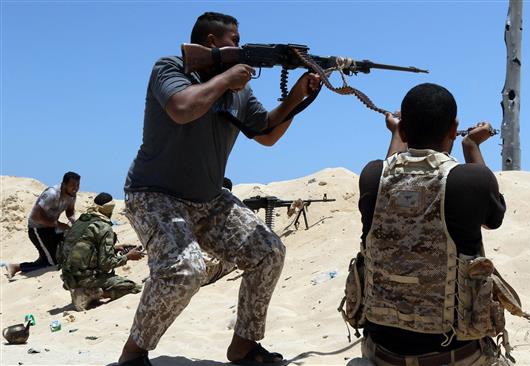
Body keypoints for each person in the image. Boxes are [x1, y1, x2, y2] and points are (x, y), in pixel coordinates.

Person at [118, 11, 321, 366]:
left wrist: (298, 96)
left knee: (268, 251)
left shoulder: (239, 90)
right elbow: (182, 108)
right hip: (154, 194)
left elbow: (268, 133)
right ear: (212, 43)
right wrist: (226, 78)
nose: (241, 47)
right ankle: (134, 354)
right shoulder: (171, 67)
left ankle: (243, 346)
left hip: (208, 199)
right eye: (235, 41)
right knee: (186, 268)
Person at [351, 83, 508, 366]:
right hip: (456, 356)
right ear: (454, 126)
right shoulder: (472, 181)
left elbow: (392, 180)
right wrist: (471, 146)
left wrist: (396, 134)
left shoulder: (372, 177)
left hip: (381, 354)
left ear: (404, 131)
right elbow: (493, 220)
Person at [57, 192, 145, 311]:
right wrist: (128, 257)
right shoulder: (103, 227)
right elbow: (106, 263)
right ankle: (89, 293)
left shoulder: (82, 221)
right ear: (109, 210)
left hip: (69, 278)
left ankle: (84, 290)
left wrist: (114, 248)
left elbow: (83, 249)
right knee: (131, 287)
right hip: (86, 279)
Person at [4, 172, 81, 279]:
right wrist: (58, 224)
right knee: (51, 263)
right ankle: (16, 267)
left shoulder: (72, 195)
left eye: (78, 185)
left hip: (52, 229)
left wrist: (73, 221)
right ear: (64, 184)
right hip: (37, 230)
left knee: (61, 252)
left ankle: (42, 259)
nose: (76, 188)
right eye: (73, 185)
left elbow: (70, 211)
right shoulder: (52, 194)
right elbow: (35, 216)